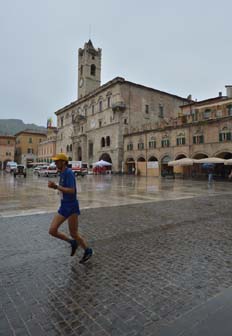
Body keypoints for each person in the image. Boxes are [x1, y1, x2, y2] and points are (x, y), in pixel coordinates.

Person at [48, 153, 93, 263]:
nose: (55, 163)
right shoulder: (62, 173)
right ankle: (72, 242)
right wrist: (56, 187)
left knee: (74, 233)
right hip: (64, 205)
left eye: (57, 161)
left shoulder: (69, 173)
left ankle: (88, 250)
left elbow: (72, 191)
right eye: (55, 161)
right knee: (52, 230)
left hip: (71, 206)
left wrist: (56, 187)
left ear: (63, 162)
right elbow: (64, 189)